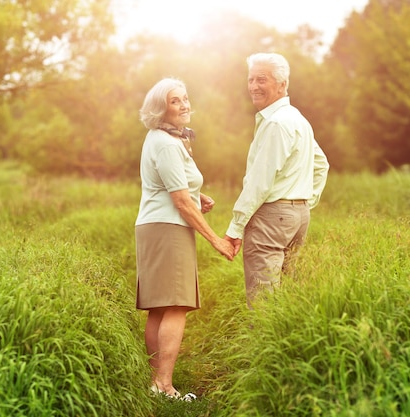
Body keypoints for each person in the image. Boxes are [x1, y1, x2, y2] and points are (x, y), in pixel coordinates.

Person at [135, 77, 235, 400]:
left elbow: (173, 186)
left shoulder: (164, 139)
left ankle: (155, 384)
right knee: (176, 305)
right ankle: (164, 385)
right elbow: (179, 201)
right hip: (168, 228)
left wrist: (197, 194)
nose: (184, 105)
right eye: (175, 101)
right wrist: (216, 240)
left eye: (185, 98)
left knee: (160, 308)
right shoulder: (165, 142)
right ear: (160, 109)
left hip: (156, 225)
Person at [224, 52, 329, 309]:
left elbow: (259, 183)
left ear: (282, 84)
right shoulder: (297, 119)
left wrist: (235, 229)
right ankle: (286, 346)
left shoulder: (276, 123)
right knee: (287, 295)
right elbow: (322, 164)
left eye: (262, 79)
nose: (253, 86)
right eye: (250, 80)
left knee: (263, 302)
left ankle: (263, 348)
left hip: (273, 218)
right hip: (297, 217)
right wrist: (303, 203)